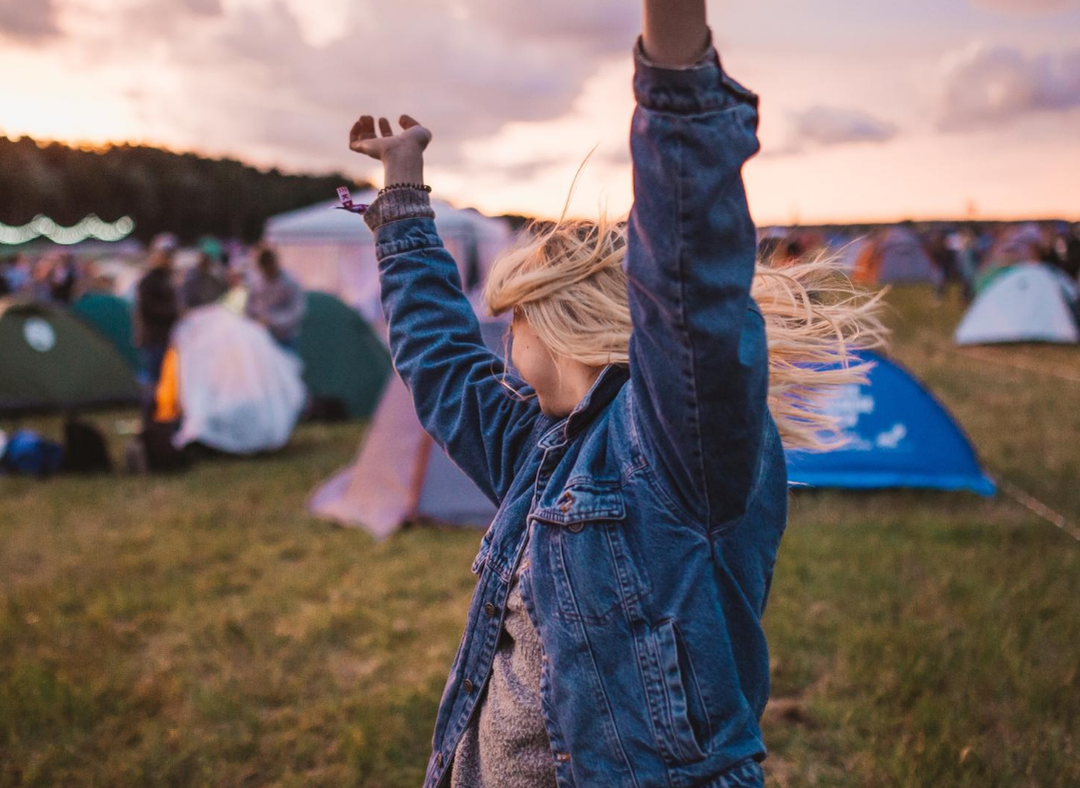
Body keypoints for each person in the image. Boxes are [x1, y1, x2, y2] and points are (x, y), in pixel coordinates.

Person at [347, 2, 884, 786]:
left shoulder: (673, 442)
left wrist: (674, 62)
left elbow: (689, 275)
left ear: (552, 321)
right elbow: (440, 360)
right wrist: (401, 196)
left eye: (510, 318)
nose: (498, 337)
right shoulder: (540, 448)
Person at [135, 234, 180, 388]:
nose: (169, 260)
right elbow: (149, 310)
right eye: (165, 256)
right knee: (154, 379)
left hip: (165, 337)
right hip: (153, 338)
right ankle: (150, 409)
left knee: (163, 379)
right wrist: (175, 313)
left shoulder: (167, 279)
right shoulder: (149, 281)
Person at [245, 247, 305, 350]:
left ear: (275, 263)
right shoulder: (256, 281)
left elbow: (297, 311)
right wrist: (255, 322)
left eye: (270, 266)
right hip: (262, 336)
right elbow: (250, 307)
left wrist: (272, 320)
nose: (268, 271)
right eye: (265, 268)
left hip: (284, 337)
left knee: (285, 364)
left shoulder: (290, 282)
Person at [179, 237, 228, 311]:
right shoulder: (191, 276)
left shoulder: (217, 277)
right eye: (206, 259)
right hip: (194, 315)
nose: (209, 263)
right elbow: (184, 302)